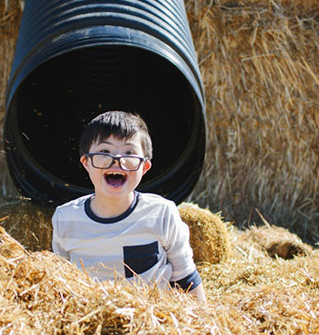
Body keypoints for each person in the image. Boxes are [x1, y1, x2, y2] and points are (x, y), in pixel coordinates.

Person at [51, 111, 206, 303]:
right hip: (89, 321)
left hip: (153, 321)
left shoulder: (162, 214)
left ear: (145, 167)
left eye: (129, 153)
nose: (117, 160)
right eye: (104, 152)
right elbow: (61, 283)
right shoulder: (65, 218)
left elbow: (186, 277)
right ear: (86, 162)